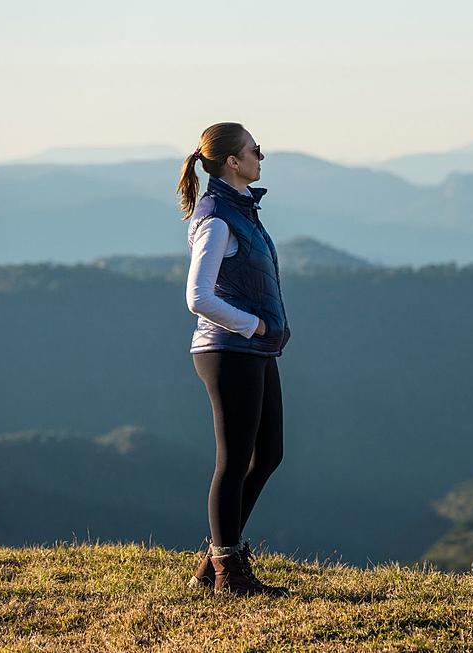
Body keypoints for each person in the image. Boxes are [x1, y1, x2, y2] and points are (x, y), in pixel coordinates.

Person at [176, 122, 291, 596]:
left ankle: (217, 559)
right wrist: (254, 325)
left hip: (254, 351)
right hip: (228, 350)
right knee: (235, 458)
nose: (261, 157)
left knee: (269, 454)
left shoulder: (240, 209)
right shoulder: (219, 217)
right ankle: (229, 572)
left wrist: (261, 334)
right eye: (254, 150)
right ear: (232, 161)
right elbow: (197, 296)